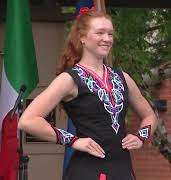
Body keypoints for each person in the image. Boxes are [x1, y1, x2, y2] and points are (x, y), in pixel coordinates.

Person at [18, 9, 157, 180]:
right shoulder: (69, 79)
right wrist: (74, 141)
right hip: (88, 171)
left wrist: (141, 137)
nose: (107, 39)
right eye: (100, 33)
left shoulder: (123, 78)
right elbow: (28, 120)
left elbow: (150, 115)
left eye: (110, 34)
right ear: (82, 37)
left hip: (123, 170)